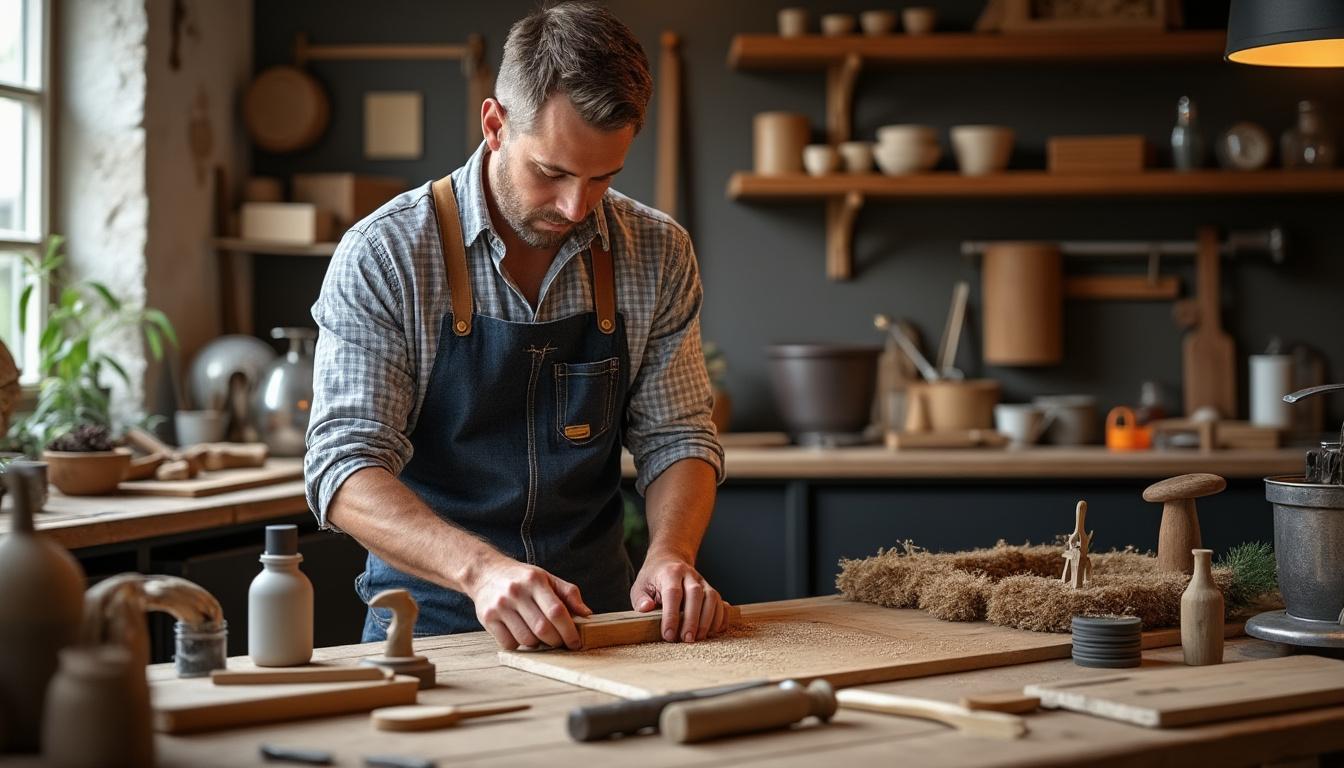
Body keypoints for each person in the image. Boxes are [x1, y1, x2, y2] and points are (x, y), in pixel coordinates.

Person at [304, 1, 727, 652]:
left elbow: (678, 437)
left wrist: (671, 554)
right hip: (429, 636)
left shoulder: (658, 251)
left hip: (605, 631)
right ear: (495, 124)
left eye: (603, 178)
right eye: (552, 172)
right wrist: (481, 570)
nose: (576, 206)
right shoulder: (387, 255)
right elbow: (342, 464)